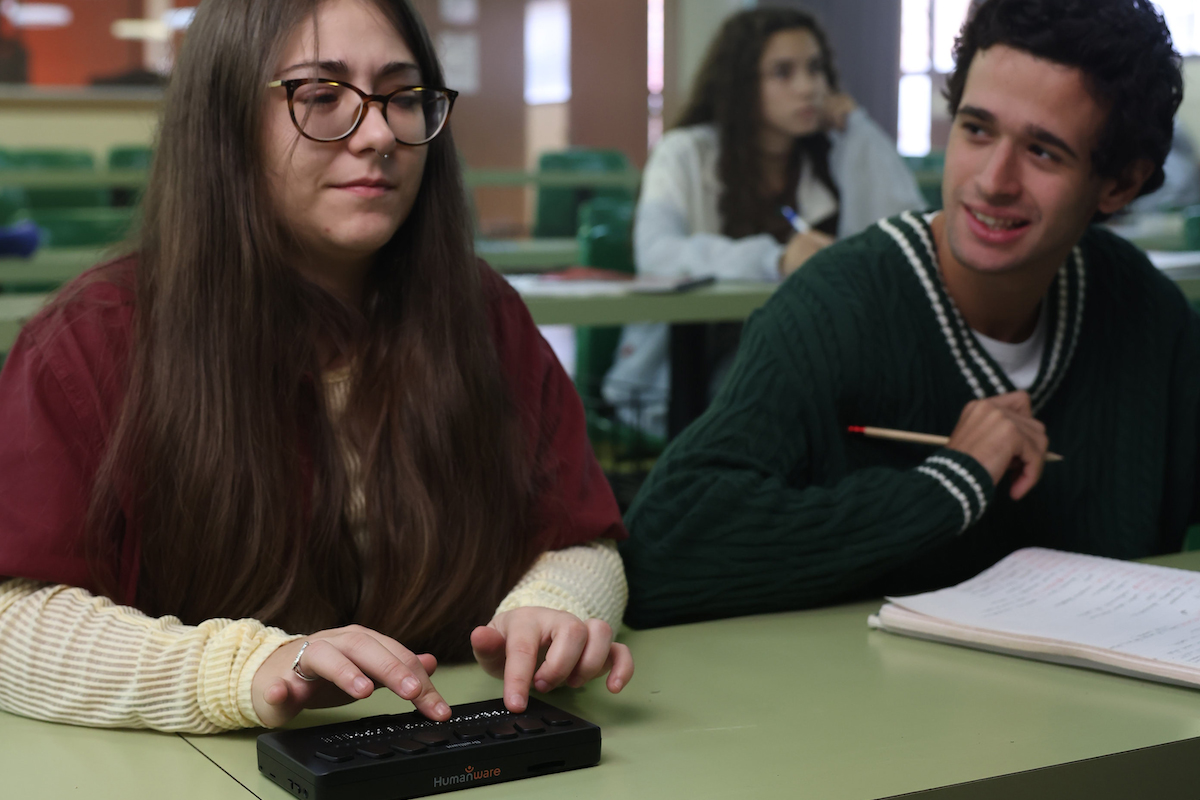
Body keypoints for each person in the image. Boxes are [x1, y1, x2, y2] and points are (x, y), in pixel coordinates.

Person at [0, 0, 632, 733]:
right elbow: (12, 616)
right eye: (321, 96)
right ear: (224, 117)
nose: (378, 135)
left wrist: (556, 605)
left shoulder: (483, 313)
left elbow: (580, 538)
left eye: (403, 97)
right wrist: (238, 668)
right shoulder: (92, 339)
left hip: (454, 751)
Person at [621, 0, 1199, 628]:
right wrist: (948, 484)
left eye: (1042, 152)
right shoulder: (834, 309)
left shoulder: (1146, 315)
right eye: (976, 130)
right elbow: (661, 552)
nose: (992, 180)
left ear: (1118, 184)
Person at [602, 7, 925, 438]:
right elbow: (657, 253)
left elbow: (904, 231)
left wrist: (857, 128)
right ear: (740, 83)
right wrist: (773, 261)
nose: (809, 87)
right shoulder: (684, 154)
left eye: (816, 69)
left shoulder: (829, 158)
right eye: (783, 72)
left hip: (800, 366)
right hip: (686, 379)